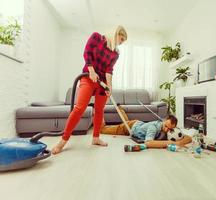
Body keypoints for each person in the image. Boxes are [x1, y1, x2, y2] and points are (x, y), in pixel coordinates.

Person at [52, 26, 128, 154]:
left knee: (99, 111)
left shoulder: (115, 53)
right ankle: (63, 141)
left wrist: (109, 87)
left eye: (123, 41)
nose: (121, 43)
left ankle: (96, 138)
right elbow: (87, 53)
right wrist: (91, 71)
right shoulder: (96, 37)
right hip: (88, 77)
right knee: (80, 108)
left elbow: (109, 70)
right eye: (121, 39)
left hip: (102, 82)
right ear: (115, 34)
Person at [102, 105, 192, 148]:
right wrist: (177, 143)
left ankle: (120, 109)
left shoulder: (173, 131)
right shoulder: (153, 127)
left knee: (126, 121)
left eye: (170, 129)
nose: (167, 130)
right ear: (164, 121)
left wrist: (182, 140)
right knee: (102, 130)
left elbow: (189, 138)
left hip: (138, 123)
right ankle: (98, 114)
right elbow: (149, 143)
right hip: (130, 128)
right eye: (166, 126)